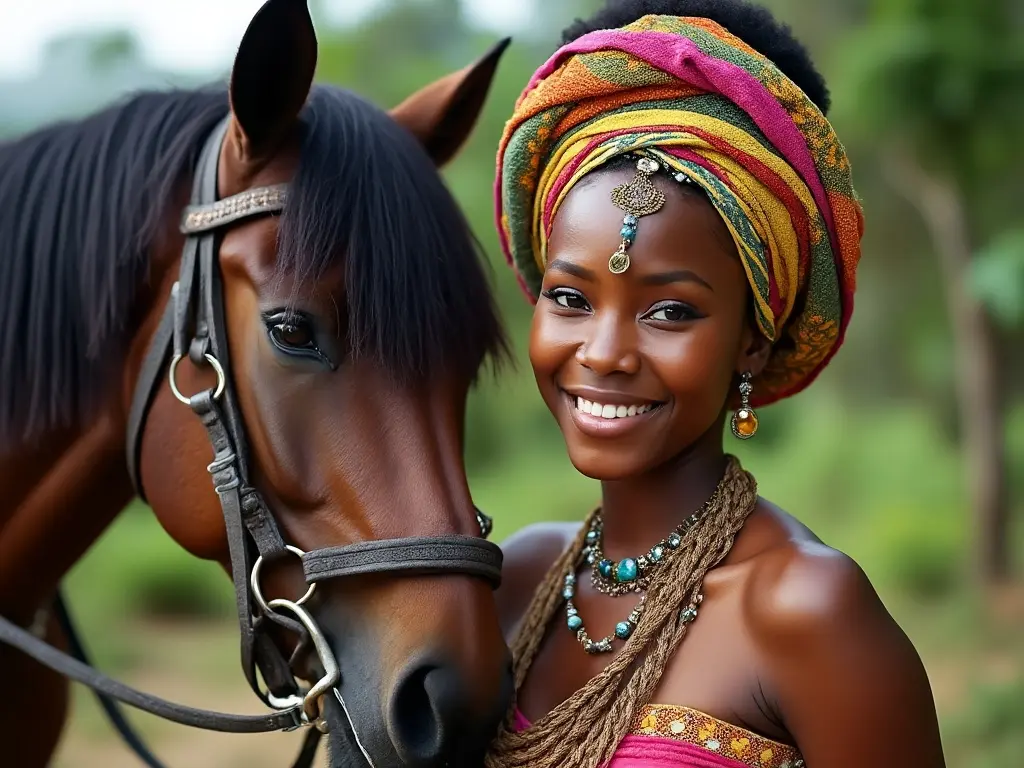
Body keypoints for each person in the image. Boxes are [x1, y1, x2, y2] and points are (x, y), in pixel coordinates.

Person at [487, 1, 946, 767]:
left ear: (753, 343)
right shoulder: (517, 579)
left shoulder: (806, 611)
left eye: (670, 312)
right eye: (570, 298)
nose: (603, 353)